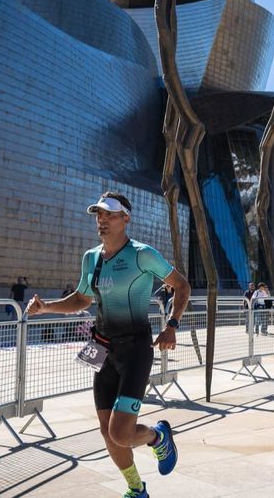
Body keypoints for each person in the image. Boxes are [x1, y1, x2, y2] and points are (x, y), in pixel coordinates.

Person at [27, 191, 188, 498]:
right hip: (101, 347)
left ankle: (158, 437)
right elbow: (81, 299)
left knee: (121, 432)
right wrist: (46, 307)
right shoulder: (91, 258)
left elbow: (182, 285)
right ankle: (136, 489)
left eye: (109, 214)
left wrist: (172, 325)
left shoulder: (142, 254)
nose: (101, 220)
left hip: (136, 349)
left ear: (126, 219)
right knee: (106, 430)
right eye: (98, 215)